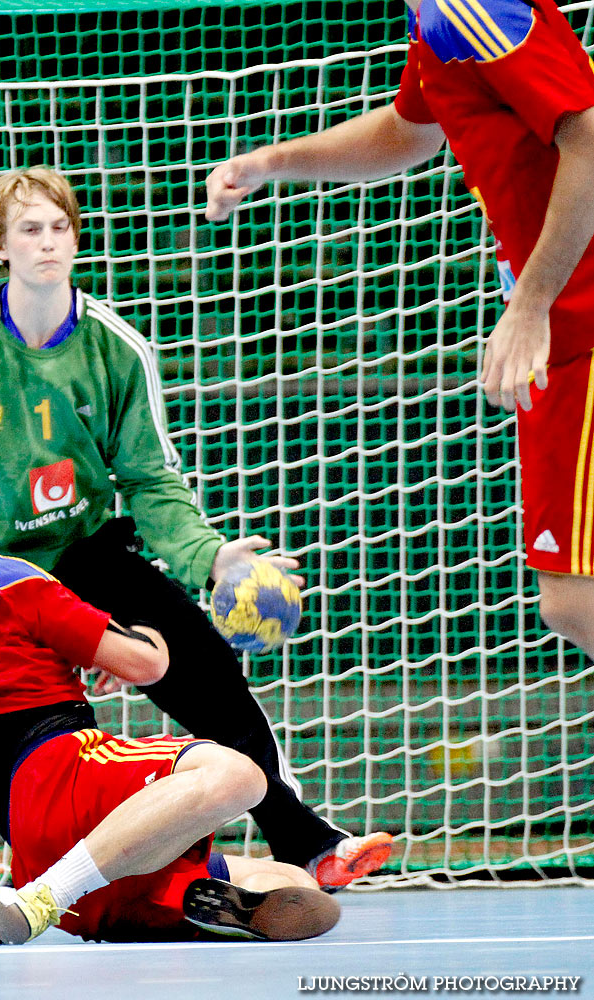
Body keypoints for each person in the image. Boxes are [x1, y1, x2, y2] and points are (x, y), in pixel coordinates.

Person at [0, 168, 389, 891]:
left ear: (76, 238)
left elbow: (148, 478)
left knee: (205, 671)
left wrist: (208, 558)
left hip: (83, 553)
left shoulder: (118, 347)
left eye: (58, 227)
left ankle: (305, 841)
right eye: (28, 229)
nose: (46, 243)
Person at [0, 296, 340, 944]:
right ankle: (56, 895)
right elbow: (147, 664)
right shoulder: (6, 582)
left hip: (31, 835)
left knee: (280, 883)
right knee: (237, 775)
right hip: (65, 777)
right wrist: (141, 631)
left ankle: (151, 890)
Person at [204, 0, 594, 657]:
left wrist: (528, 305)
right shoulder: (434, 20)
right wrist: (270, 163)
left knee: (572, 600)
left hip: (574, 316)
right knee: (571, 600)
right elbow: (410, 130)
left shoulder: (465, 5)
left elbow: (587, 134)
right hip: (560, 324)